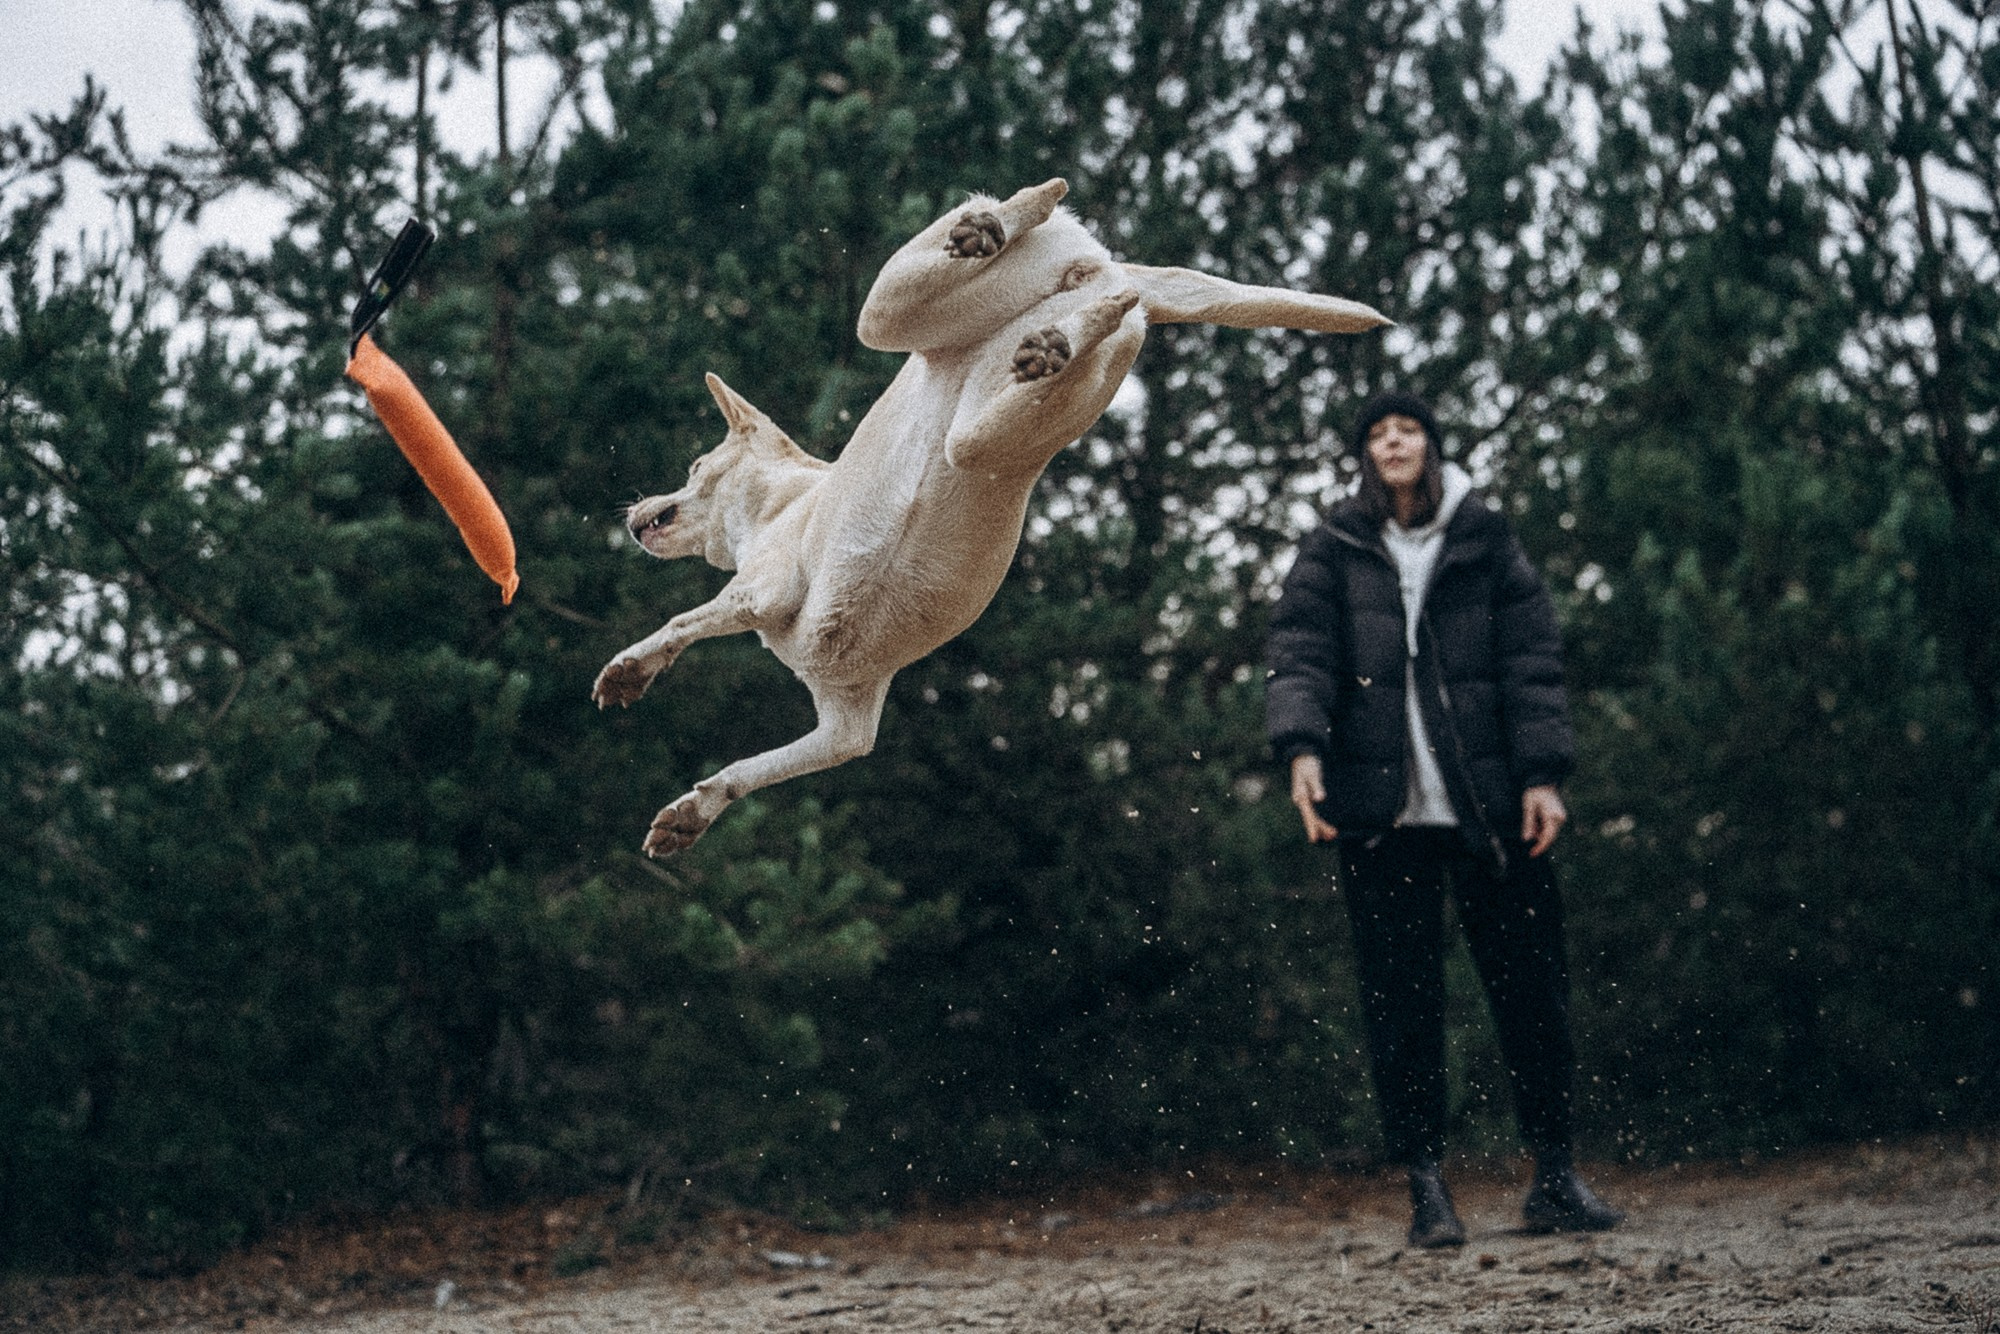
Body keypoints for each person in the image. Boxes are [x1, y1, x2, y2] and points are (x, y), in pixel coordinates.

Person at [1264, 391, 1623, 1248]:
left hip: (1494, 814)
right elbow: (1299, 650)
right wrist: (1302, 749)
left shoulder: (1486, 539)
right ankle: (1427, 1188)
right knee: (1401, 1005)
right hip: (1381, 817)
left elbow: (1532, 660)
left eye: (1408, 429)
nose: (1393, 441)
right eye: (1378, 433)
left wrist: (1543, 775)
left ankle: (1555, 1177)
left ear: (1431, 445)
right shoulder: (1335, 546)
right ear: (1365, 456)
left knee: (1533, 992)